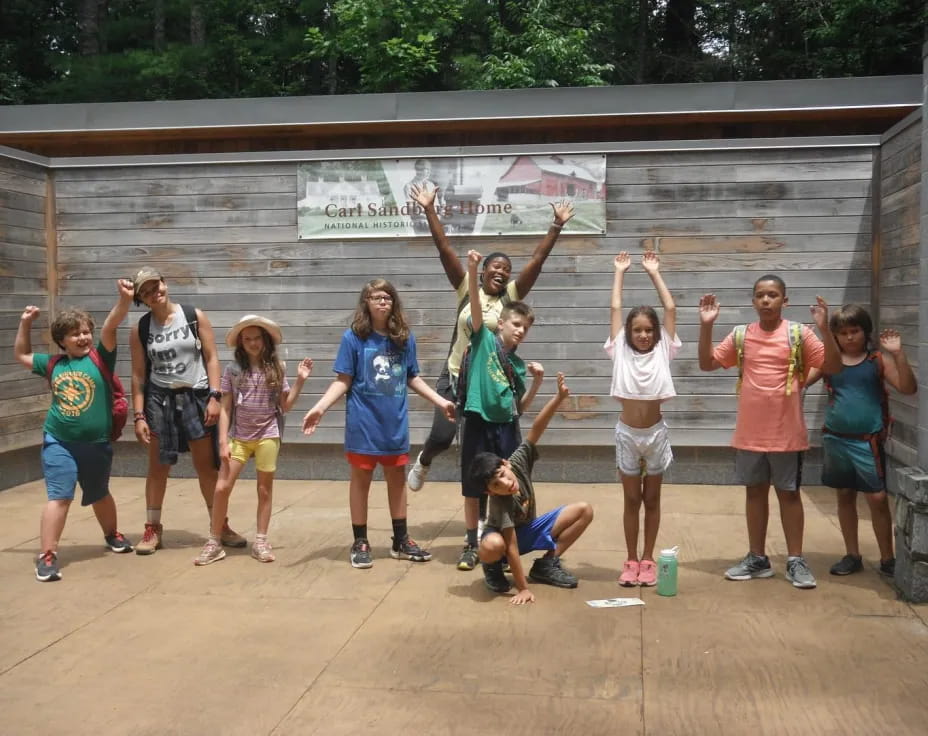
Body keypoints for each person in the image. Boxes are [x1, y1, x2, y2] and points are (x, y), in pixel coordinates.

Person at [405, 184, 572, 490]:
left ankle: (484, 513)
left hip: (491, 383)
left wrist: (556, 225)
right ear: (482, 271)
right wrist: (429, 208)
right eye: (496, 266)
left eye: (507, 269)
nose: (502, 272)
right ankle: (425, 460)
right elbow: (444, 249)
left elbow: (537, 260)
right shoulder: (465, 288)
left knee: (486, 450)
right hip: (457, 375)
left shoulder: (511, 295)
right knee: (443, 436)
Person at [698, 276, 842, 589]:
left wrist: (825, 330)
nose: (766, 300)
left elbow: (833, 366)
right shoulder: (740, 335)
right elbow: (707, 363)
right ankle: (757, 558)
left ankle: (794, 559)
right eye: (761, 295)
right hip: (749, 433)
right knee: (754, 492)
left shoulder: (798, 333)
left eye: (773, 295)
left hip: (786, 433)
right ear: (753, 301)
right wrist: (707, 325)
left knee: (789, 494)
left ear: (784, 301)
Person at [301, 279, 456, 568]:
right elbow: (343, 380)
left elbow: (412, 377)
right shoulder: (353, 338)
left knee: (397, 482)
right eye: (376, 297)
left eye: (387, 297)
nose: (382, 302)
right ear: (366, 303)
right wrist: (320, 408)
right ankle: (360, 540)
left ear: (394, 302)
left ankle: (400, 540)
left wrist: (440, 401)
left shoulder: (404, 338)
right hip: (363, 423)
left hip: (394, 424)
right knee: (360, 483)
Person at [14, 280, 135, 581]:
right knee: (60, 496)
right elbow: (21, 355)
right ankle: (48, 555)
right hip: (59, 441)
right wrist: (25, 324)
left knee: (99, 493)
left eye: (85, 332)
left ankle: (112, 534)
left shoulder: (101, 358)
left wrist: (124, 299)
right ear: (62, 341)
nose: (83, 337)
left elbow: (111, 325)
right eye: (75, 334)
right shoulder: (53, 364)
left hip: (96, 443)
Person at [129, 267, 245, 555]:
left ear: (165, 283)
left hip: (196, 395)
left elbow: (212, 357)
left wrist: (215, 397)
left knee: (206, 466)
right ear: (141, 298)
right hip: (161, 400)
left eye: (156, 285)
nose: (154, 293)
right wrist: (139, 414)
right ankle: (153, 527)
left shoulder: (193, 316)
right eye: (146, 291)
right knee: (158, 467)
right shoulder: (141, 329)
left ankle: (219, 525)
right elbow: (138, 374)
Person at [805, 305, 916, 578]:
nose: (849, 337)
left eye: (854, 331)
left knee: (877, 498)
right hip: (835, 438)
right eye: (842, 333)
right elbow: (801, 382)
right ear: (836, 336)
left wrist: (899, 354)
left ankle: (887, 558)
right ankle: (852, 555)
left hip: (867, 441)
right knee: (844, 495)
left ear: (865, 332)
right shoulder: (830, 362)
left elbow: (907, 387)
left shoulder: (877, 360)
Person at [195, 315, 313, 565]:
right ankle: (214, 541)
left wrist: (300, 381)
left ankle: (260, 540)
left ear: (265, 340)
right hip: (239, 436)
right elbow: (225, 407)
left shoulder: (276, 368)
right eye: (247, 339)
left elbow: (286, 405)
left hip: (268, 436)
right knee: (222, 487)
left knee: (264, 489)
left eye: (257, 338)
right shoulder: (233, 370)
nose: (253, 343)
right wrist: (222, 442)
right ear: (241, 342)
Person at [470, 372, 594, 604]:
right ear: (490, 492)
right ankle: (493, 568)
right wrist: (523, 589)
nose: (506, 484)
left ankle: (547, 563)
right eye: (496, 485)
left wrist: (558, 399)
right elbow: (512, 547)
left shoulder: (517, 462)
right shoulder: (500, 502)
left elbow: (536, 429)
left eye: (503, 475)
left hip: (528, 530)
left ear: (506, 463)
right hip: (505, 541)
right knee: (493, 545)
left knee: (584, 510)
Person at [455, 249, 544, 571]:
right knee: (472, 485)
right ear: (501, 323)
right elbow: (475, 311)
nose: (520, 331)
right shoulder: (483, 340)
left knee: (509, 482)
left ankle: (510, 545)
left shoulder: (518, 365)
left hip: (506, 426)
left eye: (526, 328)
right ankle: (470, 543)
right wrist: (472, 266)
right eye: (516, 324)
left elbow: (519, 407)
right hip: (478, 419)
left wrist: (536, 383)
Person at [607, 251, 680, 587]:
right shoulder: (619, 348)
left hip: (655, 434)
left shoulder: (664, 349)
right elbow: (615, 308)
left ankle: (648, 559)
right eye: (637, 330)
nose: (644, 335)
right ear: (628, 333)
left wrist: (654, 273)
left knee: (652, 499)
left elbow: (670, 310)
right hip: (627, 434)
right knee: (630, 500)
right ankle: (630, 559)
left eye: (649, 330)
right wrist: (620, 272)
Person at [403, 159, 444, 233]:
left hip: (433, 220)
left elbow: (436, 207)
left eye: (429, 169)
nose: (429, 171)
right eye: (426, 169)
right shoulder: (409, 186)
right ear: (418, 169)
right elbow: (411, 210)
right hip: (420, 223)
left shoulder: (431, 185)